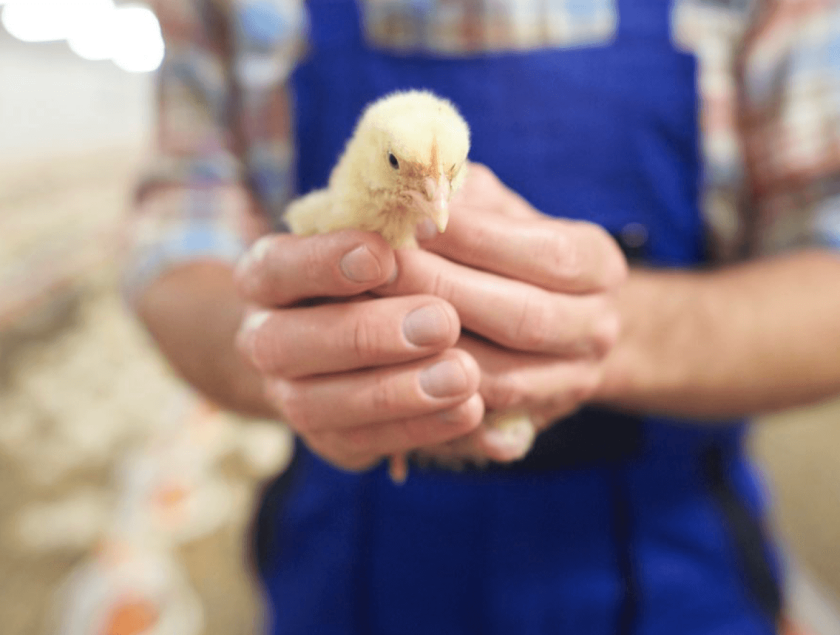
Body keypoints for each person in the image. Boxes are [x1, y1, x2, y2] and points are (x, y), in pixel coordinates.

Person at [128, 1, 840, 633]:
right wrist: (279, 349)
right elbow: (177, 233)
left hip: (671, 569)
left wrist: (607, 331)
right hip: (345, 559)